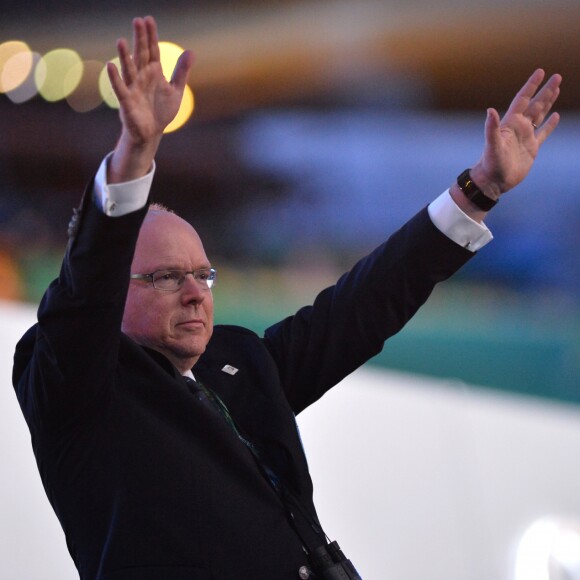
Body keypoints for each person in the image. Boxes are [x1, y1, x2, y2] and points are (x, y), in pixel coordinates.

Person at [12, 15, 561, 580]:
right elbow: (84, 291)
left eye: (204, 276)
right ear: (112, 292)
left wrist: (479, 189)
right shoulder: (74, 383)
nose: (196, 294)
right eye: (167, 277)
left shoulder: (241, 365)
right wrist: (134, 157)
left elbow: (361, 306)